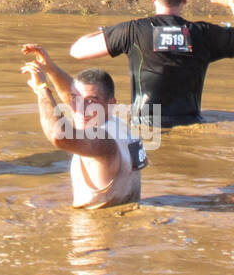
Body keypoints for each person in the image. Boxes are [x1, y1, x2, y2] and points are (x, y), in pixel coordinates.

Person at [68, 0, 234, 128]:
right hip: (191, 125)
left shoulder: (132, 31)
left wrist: (109, 32)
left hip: (146, 128)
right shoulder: (203, 33)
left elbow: (77, 50)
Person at [21, 44, 143, 209]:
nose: (80, 108)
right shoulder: (119, 125)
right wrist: (52, 69)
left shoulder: (103, 141)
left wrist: (42, 90)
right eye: (76, 100)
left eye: (91, 102)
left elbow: (59, 135)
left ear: (110, 103)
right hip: (126, 216)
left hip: (96, 228)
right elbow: (76, 96)